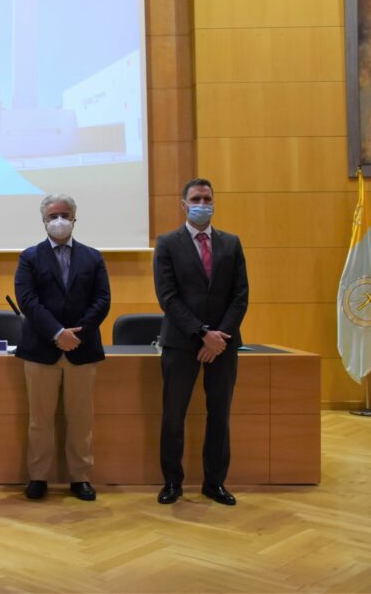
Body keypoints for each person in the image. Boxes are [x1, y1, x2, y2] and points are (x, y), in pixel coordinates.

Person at [154, 178, 248, 506]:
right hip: (181, 343)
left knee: (219, 415)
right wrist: (202, 334)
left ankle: (214, 483)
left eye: (207, 198)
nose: (202, 203)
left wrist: (219, 337)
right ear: (183, 204)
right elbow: (168, 297)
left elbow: (241, 296)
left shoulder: (231, 244)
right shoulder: (167, 243)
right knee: (173, 416)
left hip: (223, 345)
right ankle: (173, 483)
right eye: (196, 198)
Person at [14, 194, 111, 501]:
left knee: (81, 419)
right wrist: (57, 333)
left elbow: (102, 300)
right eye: (53, 215)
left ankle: (80, 478)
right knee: (39, 420)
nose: (59, 220)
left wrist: (75, 334)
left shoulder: (93, 258)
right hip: (41, 350)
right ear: (44, 221)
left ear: (74, 218)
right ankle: (38, 477)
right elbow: (28, 300)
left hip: (82, 350)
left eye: (65, 215)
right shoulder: (29, 257)